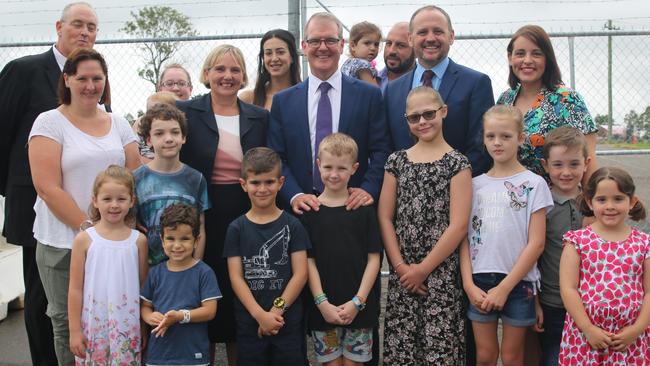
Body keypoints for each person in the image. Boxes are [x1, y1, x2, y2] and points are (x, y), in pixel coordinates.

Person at [0, 3, 99, 363]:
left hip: (87, 208)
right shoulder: (23, 71)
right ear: (59, 27)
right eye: (77, 24)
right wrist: (14, 189)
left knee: (79, 296)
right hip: (35, 208)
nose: (85, 32)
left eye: (91, 26)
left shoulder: (93, 77)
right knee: (44, 301)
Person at [28, 47, 140, 365]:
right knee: (68, 324)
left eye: (97, 78)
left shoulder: (118, 123)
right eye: (82, 78)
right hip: (62, 244)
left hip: (115, 243)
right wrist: (90, 234)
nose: (90, 85)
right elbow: (48, 188)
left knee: (113, 319)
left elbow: (135, 174)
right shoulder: (49, 123)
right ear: (67, 79)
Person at [177, 44, 268, 366]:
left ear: (243, 76)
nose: (227, 76)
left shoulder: (260, 117)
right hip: (202, 215)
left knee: (238, 296)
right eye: (220, 69)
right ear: (206, 74)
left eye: (234, 70)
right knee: (203, 289)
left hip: (246, 214)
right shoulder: (186, 112)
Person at [378, 87, 472, 365]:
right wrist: (401, 268)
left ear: (443, 112)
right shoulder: (396, 161)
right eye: (414, 117)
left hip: (440, 276)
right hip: (403, 276)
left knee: (439, 351)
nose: (422, 122)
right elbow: (385, 217)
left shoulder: (458, 163)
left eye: (429, 114)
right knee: (402, 350)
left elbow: (458, 225)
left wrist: (423, 269)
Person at [268, 12, 391, 214]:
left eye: (330, 40)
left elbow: (381, 150)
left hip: (352, 208)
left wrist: (368, 189)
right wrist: (295, 195)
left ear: (342, 45)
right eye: (315, 40)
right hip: (300, 211)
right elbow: (276, 157)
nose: (323, 47)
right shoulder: (284, 101)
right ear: (304, 46)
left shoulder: (368, 95)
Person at [459, 105, 553, 366]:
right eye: (490, 136)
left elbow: (537, 243)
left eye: (506, 136)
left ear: (521, 138)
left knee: (512, 357)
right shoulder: (474, 184)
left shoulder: (534, 184)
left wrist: (504, 288)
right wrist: (468, 285)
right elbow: (464, 238)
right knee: (486, 355)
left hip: (518, 284)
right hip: (479, 282)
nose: (497, 143)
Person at [223, 147, 310, 365]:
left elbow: (300, 274)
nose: (262, 189)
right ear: (244, 184)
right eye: (255, 182)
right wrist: (260, 315)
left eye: (269, 182)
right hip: (250, 322)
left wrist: (276, 310)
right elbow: (236, 278)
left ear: (281, 183)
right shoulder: (236, 228)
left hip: (286, 322)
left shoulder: (293, 225)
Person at [384, 5, 494, 176]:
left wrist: (448, 185)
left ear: (451, 36)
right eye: (422, 32)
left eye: (438, 31)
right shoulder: (392, 90)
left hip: (457, 194)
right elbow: (387, 146)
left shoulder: (476, 84)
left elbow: (480, 147)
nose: (430, 38)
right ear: (410, 38)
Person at [301, 133, 381, 366]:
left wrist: (358, 301)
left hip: (359, 308)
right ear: (318, 165)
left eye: (341, 168)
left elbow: (374, 258)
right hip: (323, 309)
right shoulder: (310, 212)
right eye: (327, 167)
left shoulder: (365, 211)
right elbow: (309, 261)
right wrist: (321, 302)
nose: (334, 174)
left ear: (354, 168)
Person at [558, 167, 649, 365]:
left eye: (618, 199)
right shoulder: (577, 241)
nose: (610, 206)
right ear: (590, 202)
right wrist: (588, 329)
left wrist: (636, 330)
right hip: (586, 338)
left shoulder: (644, 244)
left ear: (632, 202)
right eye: (602, 200)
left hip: (629, 339)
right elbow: (568, 288)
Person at [68, 165, 148, 364]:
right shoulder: (84, 240)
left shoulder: (139, 241)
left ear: (132, 201)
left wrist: (143, 326)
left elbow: (143, 288)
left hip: (127, 327)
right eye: (107, 199)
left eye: (121, 199)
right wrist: (75, 331)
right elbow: (75, 289)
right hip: (93, 326)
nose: (114, 205)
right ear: (95, 200)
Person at [497, 25, 598, 182]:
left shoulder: (568, 99)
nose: (527, 60)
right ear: (510, 58)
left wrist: (588, 203)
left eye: (536, 54)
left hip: (556, 202)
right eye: (520, 53)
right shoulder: (505, 100)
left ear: (547, 58)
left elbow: (589, 163)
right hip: (511, 198)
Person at [534, 126, 591, 366]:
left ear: (586, 164)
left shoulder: (595, 205)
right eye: (558, 165)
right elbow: (532, 257)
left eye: (574, 164)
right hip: (552, 303)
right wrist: (535, 302)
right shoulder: (540, 205)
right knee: (553, 358)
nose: (566, 172)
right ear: (545, 165)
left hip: (590, 303)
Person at [141, 203, 221, 366]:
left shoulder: (204, 273)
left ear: (196, 240)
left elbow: (210, 311)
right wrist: (149, 317)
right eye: (170, 238)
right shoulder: (155, 273)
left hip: (193, 356)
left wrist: (180, 317)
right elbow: (145, 306)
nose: (177, 245)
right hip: (159, 356)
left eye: (184, 239)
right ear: (162, 240)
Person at [134, 103, 210, 266]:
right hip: (148, 269)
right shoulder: (136, 179)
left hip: (185, 267)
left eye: (175, 132)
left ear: (183, 137)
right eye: (159, 133)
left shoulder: (196, 179)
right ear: (148, 140)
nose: (168, 138)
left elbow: (201, 229)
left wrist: (195, 268)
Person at [240, 29, 301, 110]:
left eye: (280, 52)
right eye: (268, 53)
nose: (274, 58)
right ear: (263, 58)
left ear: (292, 57)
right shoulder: (248, 99)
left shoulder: (306, 96)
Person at [132, 91, 178, 162]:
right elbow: (134, 154)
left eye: (161, 111)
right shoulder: (141, 132)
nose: (154, 115)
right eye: (150, 112)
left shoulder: (177, 134)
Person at [377, 21, 415, 93]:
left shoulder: (424, 83)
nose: (391, 51)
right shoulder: (372, 80)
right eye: (388, 43)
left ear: (416, 50)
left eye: (401, 45)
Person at [340, 21, 382, 86]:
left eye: (376, 44)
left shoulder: (347, 64)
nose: (373, 48)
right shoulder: (362, 65)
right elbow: (374, 91)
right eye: (367, 43)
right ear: (353, 46)